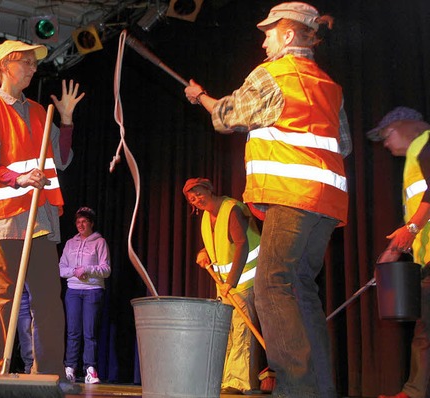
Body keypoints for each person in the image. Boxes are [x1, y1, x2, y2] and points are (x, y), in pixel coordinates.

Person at [184, 3, 352, 397]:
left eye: (268, 33)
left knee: (272, 286)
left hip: (292, 196)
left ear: (288, 35)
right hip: (325, 202)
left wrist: (202, 97)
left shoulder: (274, 74)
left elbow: (228, 116)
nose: (263, 42)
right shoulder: (328, 85)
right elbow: (342, 144)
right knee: (299, 289)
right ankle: (317, 388)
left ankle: (294, 387)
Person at [0, 39, 85, 376]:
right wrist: (19, 179)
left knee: (48, 300)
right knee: (0, 297)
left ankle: (48, 371)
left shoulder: (38, 111)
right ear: (5, 65)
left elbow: (60, 161)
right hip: (5, 218)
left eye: (35, 64)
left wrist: (65, 121)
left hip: (42, 217)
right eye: (27, 62)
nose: (34, 69)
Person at [366, 107, 430, 398]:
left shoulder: (425, 144)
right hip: (427, 259)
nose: (385, 143)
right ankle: (414, 393)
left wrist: (412, 229)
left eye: (386, 135)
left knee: (425, 331)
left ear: (409, 126)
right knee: (425, 329)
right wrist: (395, 249)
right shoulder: (416, 158)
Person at [183, 178, 261, 394]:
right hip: (226, 286)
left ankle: (240, 381)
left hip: (244, 281)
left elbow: (242, 245)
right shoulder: (207, 217)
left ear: (209, 190)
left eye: (198, 194)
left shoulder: (231, 209)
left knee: (242, 331)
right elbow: (220, 243)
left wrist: (231, 282)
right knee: (227, 332)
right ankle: (227, 379)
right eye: (192, 198)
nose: (196, 200)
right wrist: (205, 252)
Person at [59, 207, 111, 384]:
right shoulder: (69, 243)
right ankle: (70, 368)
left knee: (90, 333)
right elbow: (61, 268)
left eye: (84, 221)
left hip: (92, 291)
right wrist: (75, 271)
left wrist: (87, 269)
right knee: (73, 332)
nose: (80, 225)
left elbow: (106, 269)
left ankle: (90, 369)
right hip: (73, 291)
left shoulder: (100, 242)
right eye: (78, 222)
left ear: (91, 223)